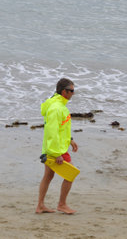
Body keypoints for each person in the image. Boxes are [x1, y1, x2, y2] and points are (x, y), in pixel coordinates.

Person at [35, 78, 78, 214]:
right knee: (71, 174)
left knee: (48, 176)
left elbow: (61, 127)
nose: (73, 93)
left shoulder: (59, 105)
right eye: (71, 91)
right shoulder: (56, 108)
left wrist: (70, 139)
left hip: (55, 148)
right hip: (56, 149)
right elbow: (51, 132)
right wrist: (56, 153)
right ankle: (62, 204)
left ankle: (40, 206)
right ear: (64, 91)